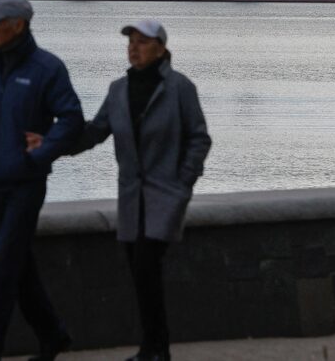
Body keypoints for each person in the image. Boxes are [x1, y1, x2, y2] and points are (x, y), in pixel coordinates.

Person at [32, 19, 210, 361]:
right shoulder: (118, 90)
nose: (133, 48)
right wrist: (50, 143)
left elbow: (199, 138)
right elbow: (94, 133)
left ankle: (155, 349)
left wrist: (183, 183)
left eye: (141, 42)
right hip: (131, 198)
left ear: (161, 48)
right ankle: (154, 349)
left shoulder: (180, 88)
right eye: (130, 42)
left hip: (165, 196)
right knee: (142, 274)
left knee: (146, 267)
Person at [0, 0, 83, 361]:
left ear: (17, 26)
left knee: (3, 265)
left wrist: (42, 150)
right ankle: (53, 334)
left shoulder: (47, 69)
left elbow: (72, 118)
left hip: (27, 183)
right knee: (18, 265)